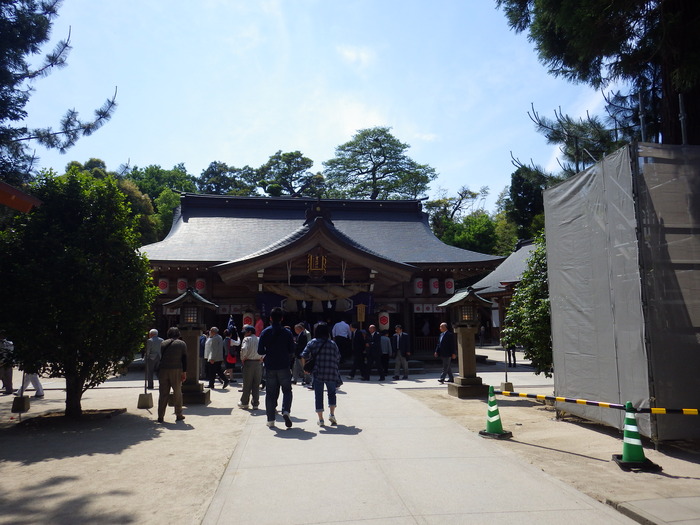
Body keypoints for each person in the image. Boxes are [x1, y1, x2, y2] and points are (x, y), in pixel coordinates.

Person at [257, 307, 295, 428]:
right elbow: (292, 350)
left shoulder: (265, 332)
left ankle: (270, 420)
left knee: (270, 393)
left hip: (270, 365)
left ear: (270, 318)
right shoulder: (287, 332)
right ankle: (286, 411)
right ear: (282, 318)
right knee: (287, 390)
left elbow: (260, 350)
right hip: (284, 364)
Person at [301, 323, 341, 427]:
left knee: (318, 395)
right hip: (331, 372)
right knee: (332, 393)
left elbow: (304, 355)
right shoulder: (333, 344)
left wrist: (305, 368)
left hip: (318, 372)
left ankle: (321, 419)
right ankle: (332, 414)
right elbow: (338, 358)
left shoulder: (312, 343)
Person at [157, 326, 188, 422]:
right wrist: (184, 372)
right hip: (176, 369)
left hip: (163, 370)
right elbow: (184, 359)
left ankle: (160, 415)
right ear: (178, 334)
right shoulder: (182, 344)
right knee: (177, 392)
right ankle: (178, 414)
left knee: (163, 393)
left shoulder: (163, 343)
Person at [237, 325, 262, 410]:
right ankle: (255, 403)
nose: (244, 334)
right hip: (258, 362)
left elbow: (244, 349)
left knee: (247, 384)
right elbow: (265, 350)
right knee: (256, 384)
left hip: (249, 362)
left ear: (249, 332)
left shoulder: (246, 339)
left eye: (245, 332)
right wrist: (261, 358)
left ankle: (244, 402)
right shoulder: (259, 339)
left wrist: (243, 358)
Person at [0, 330, 14, 395]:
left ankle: (8, 389)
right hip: (8, 362)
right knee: (8, 377)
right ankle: (9, 390)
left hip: (1, 363)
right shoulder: (10, 343)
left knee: (4, 376)